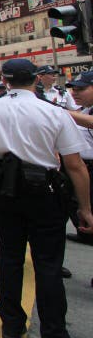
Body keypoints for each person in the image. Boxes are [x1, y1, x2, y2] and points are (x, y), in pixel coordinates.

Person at [0, 58, 93, 338]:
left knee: (10, 257)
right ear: (36, 79)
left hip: (6, 192)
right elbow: (75, 166)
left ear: (5, 80)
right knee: (48, 264)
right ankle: (54, 333)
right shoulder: (54, 113)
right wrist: (85, 207)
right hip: (45, 192)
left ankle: (11, 325)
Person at [66, 70, 93, 246]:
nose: (74, 93)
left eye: (81, 89)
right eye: (73, 89)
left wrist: (58, 111)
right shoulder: (84, 109)